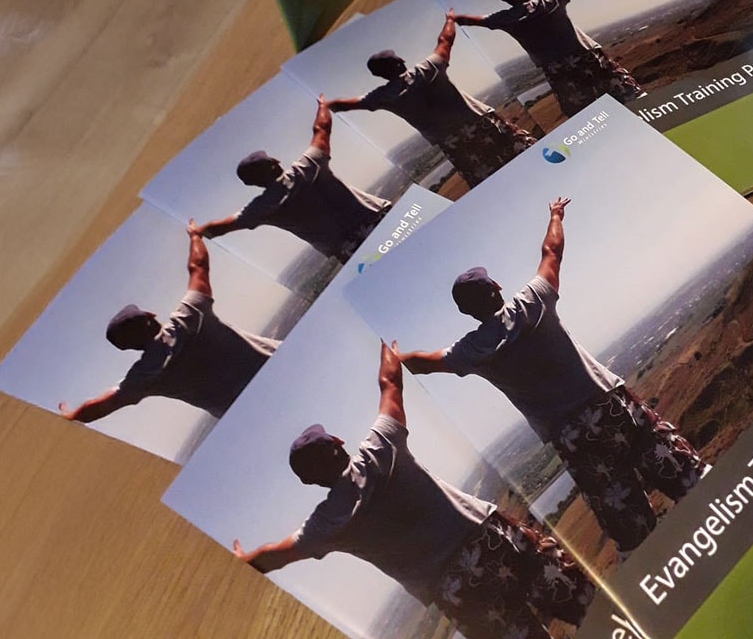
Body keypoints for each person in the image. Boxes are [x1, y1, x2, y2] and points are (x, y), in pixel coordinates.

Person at [394, 198, 706, 553]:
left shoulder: (472, 351)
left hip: (573, 439)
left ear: (466, 312)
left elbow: (421, 361)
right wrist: (555, 215)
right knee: (689, 477)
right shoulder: (533, 301)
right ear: (496, 285)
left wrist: (391, 357)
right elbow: (552, 250)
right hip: (612, 409)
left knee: (633, 533)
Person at [233, 343, 594, 639]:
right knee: (587, 605)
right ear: (339, 442)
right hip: (493, 542)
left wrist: (239, 557)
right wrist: (386, 349)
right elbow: (391, 384)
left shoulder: (324, 526)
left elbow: (272, 556)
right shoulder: (380, 447)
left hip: (458, 591)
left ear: (309, 481)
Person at [59, 224, 279, 423]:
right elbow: (198, 267)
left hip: (251, 414)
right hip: (279, 367)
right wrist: (195, 237)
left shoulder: (144, 376)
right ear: (150, 315)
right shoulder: (189, 316)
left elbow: (100, 406)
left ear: (129, 348)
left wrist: (71, 414)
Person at [328, 12, 535, 188]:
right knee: (525, 153)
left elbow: (347, 104)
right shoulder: (428, 68)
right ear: (399, 62)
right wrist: (449, 19)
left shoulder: (383, 96)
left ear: (380, 75)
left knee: (491, 182)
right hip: (481, 122)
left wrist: (325, 104)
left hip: (454, 143)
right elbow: (445, 41)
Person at [192, 95, 391, 263]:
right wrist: (323, 106)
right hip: (380, 219)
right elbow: (321, 129)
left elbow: (218, 229)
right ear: (274, 163)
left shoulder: (260, 208)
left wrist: (196, 232)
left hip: (353, 250)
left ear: (253, 183)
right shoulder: (307, 167)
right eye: (272, 158)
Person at [451, 0, 644, 119]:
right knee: (626, 93)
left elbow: (472, 20)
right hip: (586, 57)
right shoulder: (550, 2)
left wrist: (453, 17)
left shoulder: (504, 19)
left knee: (586, 112)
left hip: (557, 69)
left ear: (506, 0)